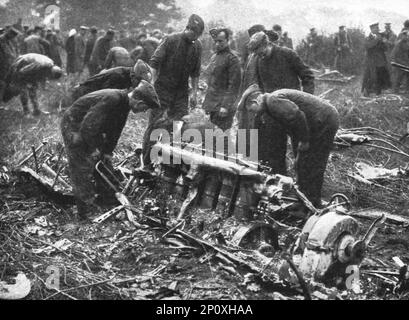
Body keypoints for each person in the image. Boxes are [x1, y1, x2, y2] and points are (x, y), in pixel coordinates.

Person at [61, 81, 161, 219]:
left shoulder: (124, 104)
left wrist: (107, 151)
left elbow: (115, 130)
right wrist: (93, 148)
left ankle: (107, 198)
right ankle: (85, 211)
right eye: (145, 107)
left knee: (103, 162)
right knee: (82, 167)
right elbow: (89, 125)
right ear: (138, 101)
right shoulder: (112, 98)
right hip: (75, 125)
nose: (144, 111)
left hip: (91, 130)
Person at [237, 85, 339, 207]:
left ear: (255, 101)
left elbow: (298, 116)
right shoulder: (270, 106)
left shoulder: (273, 101)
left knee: (313, 163)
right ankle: (304, 199)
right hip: (315, 122)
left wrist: (304, 141)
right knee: (302, 163)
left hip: (324, 120)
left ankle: (312, 203)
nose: (253, 113)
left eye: (251, 109)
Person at [238, 31, 314, 174]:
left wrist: (307, 100)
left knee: (301, 148)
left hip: (293, 110)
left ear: (267, 43)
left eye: (261, 52)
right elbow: (262, 86)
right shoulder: (260, 61)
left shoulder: (287, 54)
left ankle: (302, 183)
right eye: (257, 54)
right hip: (273, 112)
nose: (260, 56)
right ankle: (279, 182)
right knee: (275, 151)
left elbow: (307, 76)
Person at [149, 14, 204, 121]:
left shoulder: (197, 46)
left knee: (179, 123)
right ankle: (149, 137)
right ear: (187, 28)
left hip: (181, 92)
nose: (196, 37)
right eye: (195, 34)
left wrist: (194, 92)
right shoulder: (170, 39)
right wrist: (151, 84)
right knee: (155, 121)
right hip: (163, 88)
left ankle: (175, 138)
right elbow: (154, 63)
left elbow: (195, 73)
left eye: (198, 35)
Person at [203, 28, 241, 131]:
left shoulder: (233, 59)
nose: (217, 44)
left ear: (228, 40)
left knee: (221, 138)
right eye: (215, 41)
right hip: (213, 105)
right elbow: (212, 81)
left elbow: (234, 86)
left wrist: (225, 106)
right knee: (212, 138)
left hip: (223, 107)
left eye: (220, 41)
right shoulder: (215, 56)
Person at [71, 59, 151, 101]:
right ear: (134, 76)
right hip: (83, 93)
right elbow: (105, 95)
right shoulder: (119, 76)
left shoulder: (128, 74)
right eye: (138, 81)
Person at [362, 23, 391, 96]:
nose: (378, 29)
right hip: (371, 61)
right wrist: (377, 40)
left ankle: (378, 92)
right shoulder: (368, 38)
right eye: (376, 28)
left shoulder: (380, 37)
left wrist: (384, 42)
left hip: (381, 60)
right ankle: (367, 91)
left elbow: (385, 49)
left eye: (378, 28)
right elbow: (368, 46)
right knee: (372, 77)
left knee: (381, 76)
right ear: (372, 29)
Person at [0, 27, 20, 101]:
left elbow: (11, 54)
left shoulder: (8, 41)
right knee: (1, 84)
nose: (13, 38)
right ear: (9, 33)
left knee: (5, 85)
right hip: (2, 67)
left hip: (7, 67)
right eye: (13, 36)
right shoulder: (1, 40)